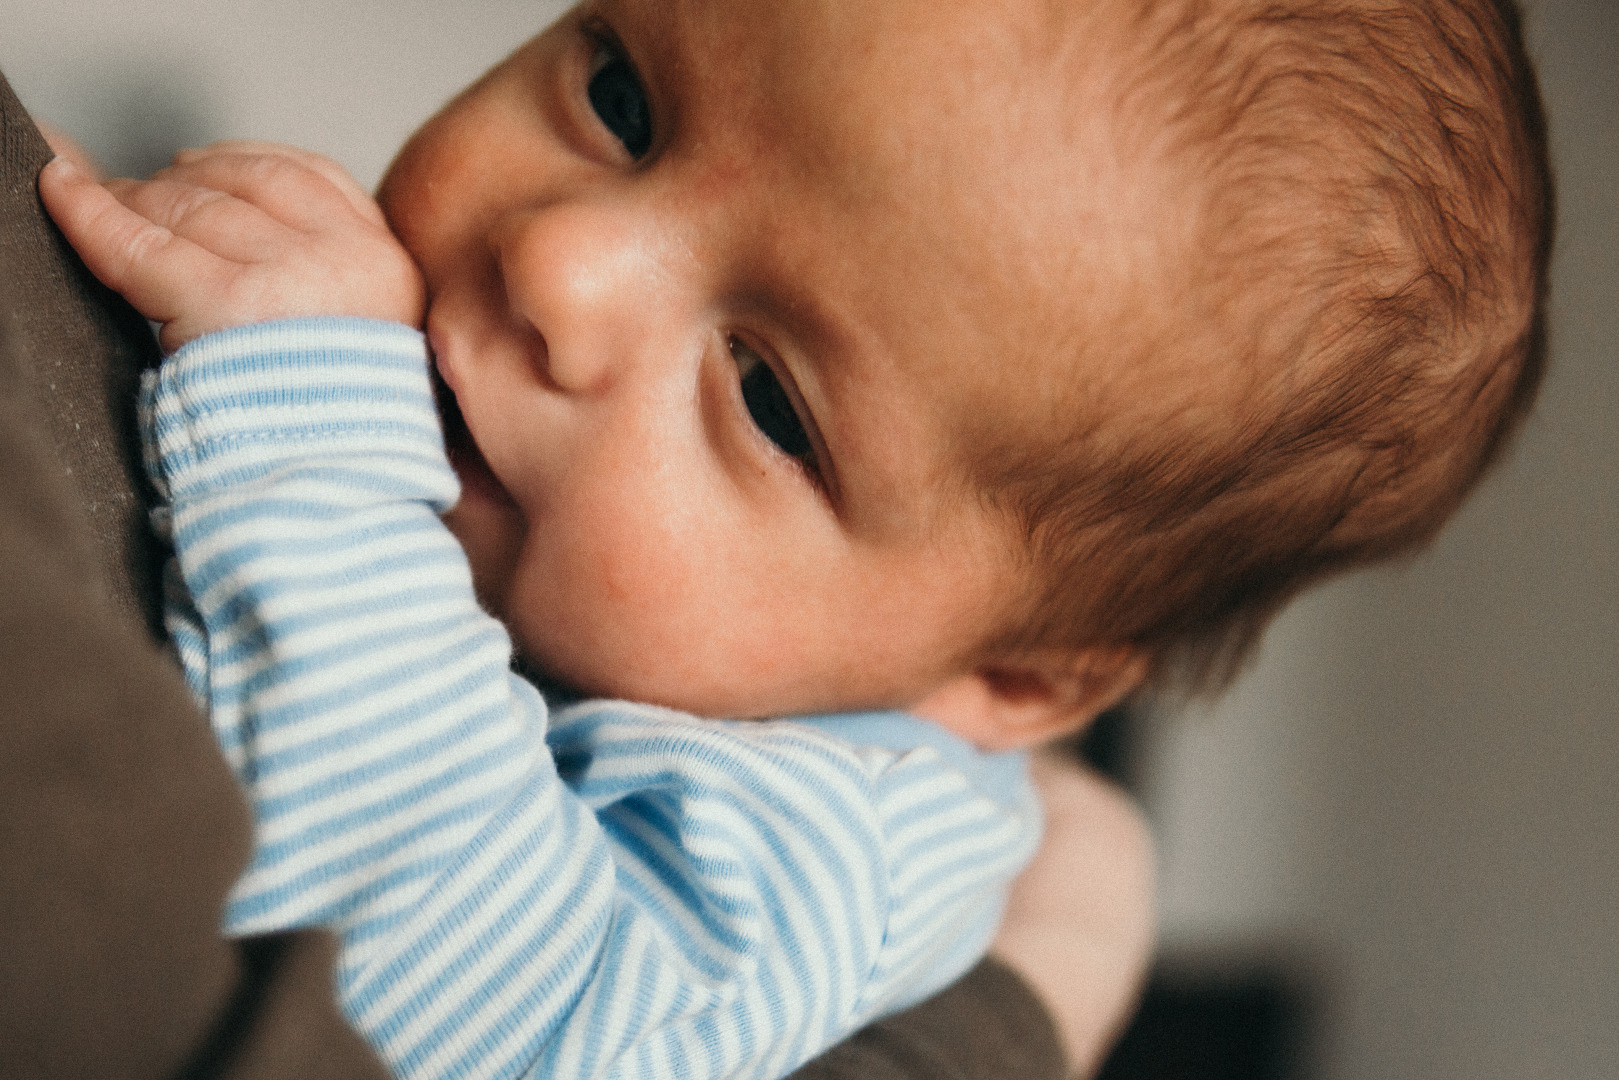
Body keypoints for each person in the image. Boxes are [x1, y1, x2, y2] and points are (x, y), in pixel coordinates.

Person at [39, 0, 1551, 1077]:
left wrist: (300, 410)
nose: (559, 261)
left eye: (769, 398)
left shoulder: (836, 833)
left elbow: (441, 1008)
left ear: (1012, 683)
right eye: (622, 99)